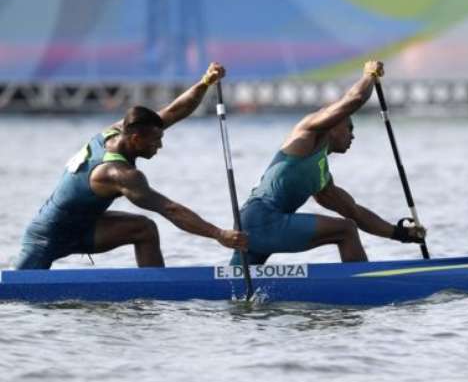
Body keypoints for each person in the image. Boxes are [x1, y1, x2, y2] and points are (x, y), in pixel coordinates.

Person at [15, 62, 247, 270]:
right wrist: (219, 234)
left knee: (144, 229)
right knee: (17, 296)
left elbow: (174, 111)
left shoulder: (119, 130)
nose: (160, 146)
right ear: (136, 139)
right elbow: (170, 209)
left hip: (86, 227)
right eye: (156, 141)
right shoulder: (119, 174)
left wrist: (205, 83)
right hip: (46, 238)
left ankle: (154, 292)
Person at [232, 60, 425, 266]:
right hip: (261, 220)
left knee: (233, 282)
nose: (353, 136)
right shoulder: (307, 133)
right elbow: (355, 98)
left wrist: (401, 234)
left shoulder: (322, 179)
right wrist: (369, 76)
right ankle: (360, 281)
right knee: (346, 230)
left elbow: (355, 212)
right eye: (349, 128)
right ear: (333, 124)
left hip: (251, 225)